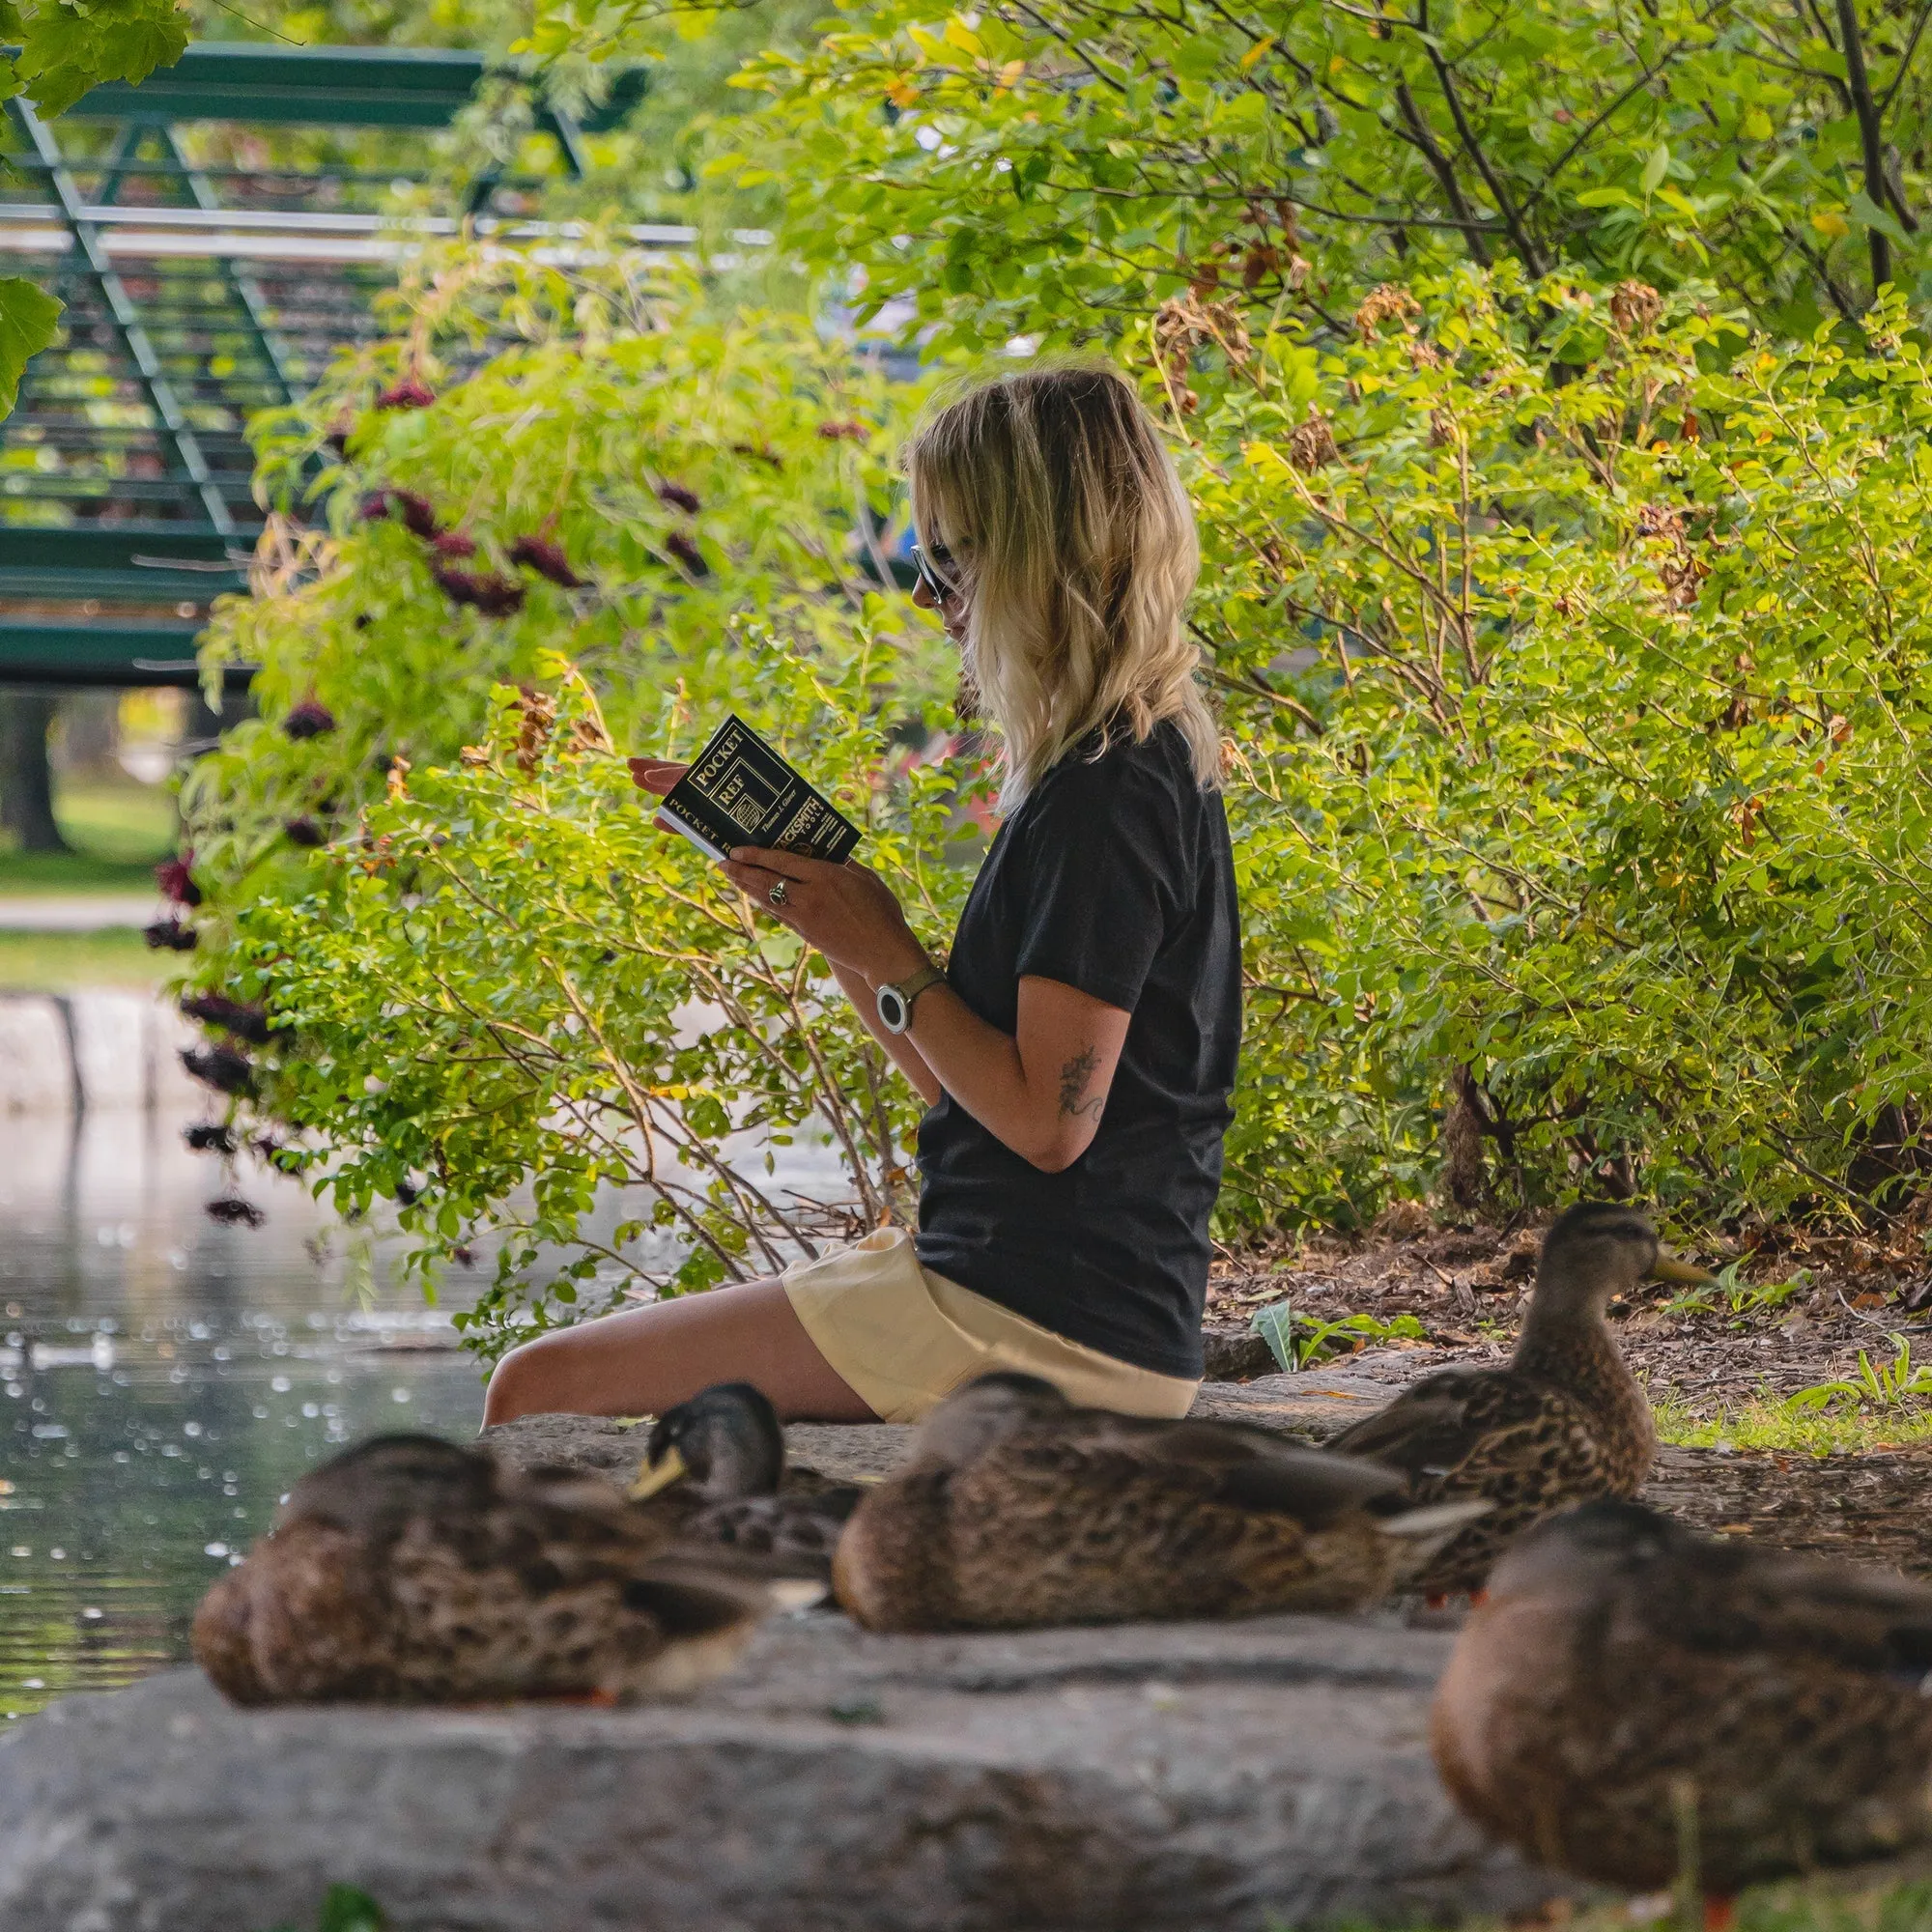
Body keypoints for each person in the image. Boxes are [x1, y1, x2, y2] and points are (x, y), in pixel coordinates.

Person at [482, 363, 1240, 1429]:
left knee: (538, 1389)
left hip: (1044, 1321)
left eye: (948, 559)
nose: (928, 597)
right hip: (1021, 1289)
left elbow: (1046, 1127)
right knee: (555, 1385)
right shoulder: (1099, 767)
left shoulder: (1106, 794)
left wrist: (887, 948)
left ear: (1037, 557)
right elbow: (965, 1099)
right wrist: (834, 928)